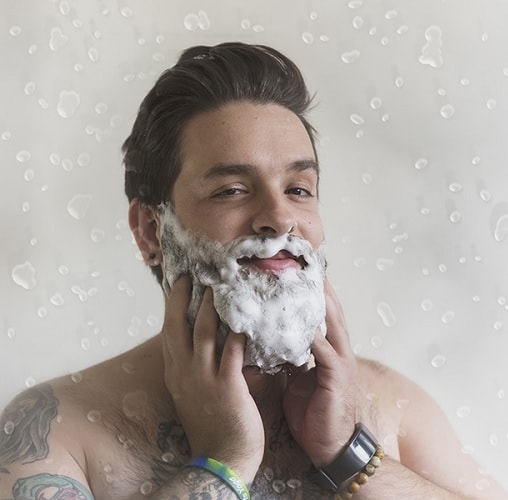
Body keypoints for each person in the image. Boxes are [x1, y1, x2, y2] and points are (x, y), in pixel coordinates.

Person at [0, 42, 506, 500]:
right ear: (152, 231)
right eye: (231, 190)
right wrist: (224, 463)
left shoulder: (390, 406)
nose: (280, 216)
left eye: (299, 189)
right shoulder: (56, 429)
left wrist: (348, 456)